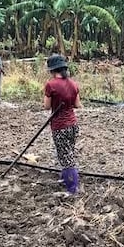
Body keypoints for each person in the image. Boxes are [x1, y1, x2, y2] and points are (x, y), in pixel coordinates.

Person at [43, 54, 83, 194]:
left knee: (65, 157)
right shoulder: (73, 84)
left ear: (52, 70)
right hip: (73, 125)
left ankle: (72, 188)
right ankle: (66, 178)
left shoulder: (51, 85)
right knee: (69, 152)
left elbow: (47, 107)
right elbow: (78, 105)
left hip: (60, 126)